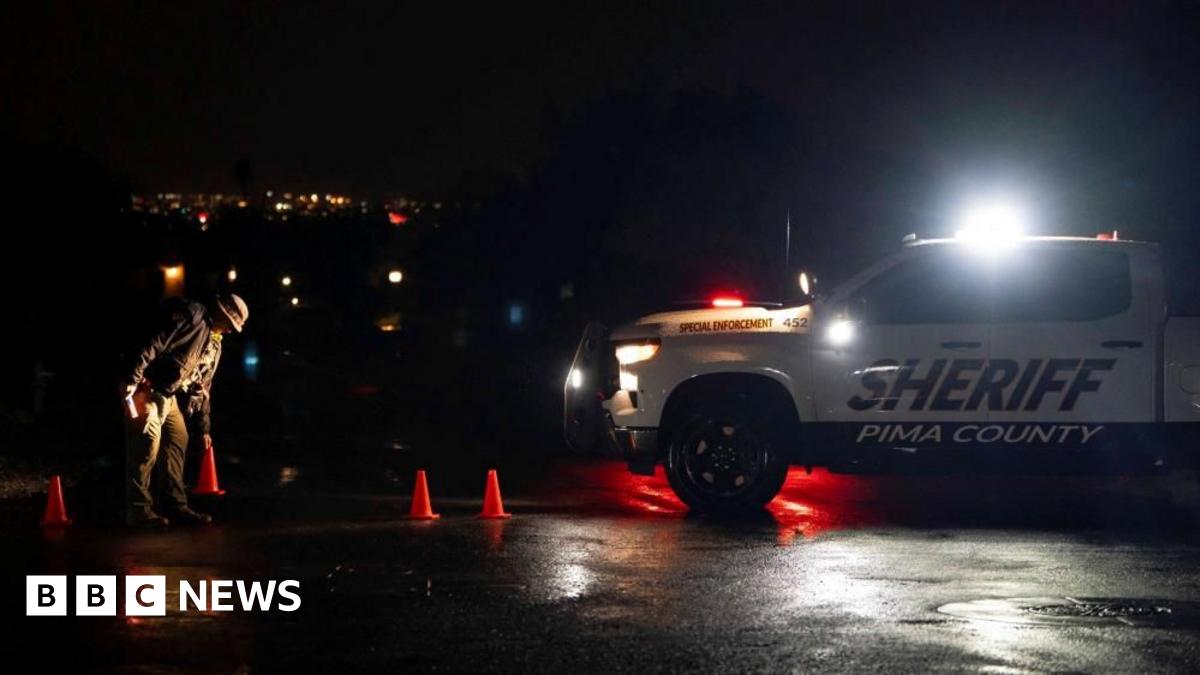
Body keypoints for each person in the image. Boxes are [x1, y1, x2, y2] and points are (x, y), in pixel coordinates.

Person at [120, 293, 248, 526]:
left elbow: (203, 388)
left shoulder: (214, 344)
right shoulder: (194, 316)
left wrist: (204, 428)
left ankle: (176, 507)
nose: (230, 330)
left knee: (178, 440)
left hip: (168, 397)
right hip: (147, 388)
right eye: (231, 324)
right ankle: (138, 511)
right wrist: (133, 375)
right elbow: (156, 341)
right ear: (222, 313)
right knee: (146, 445)